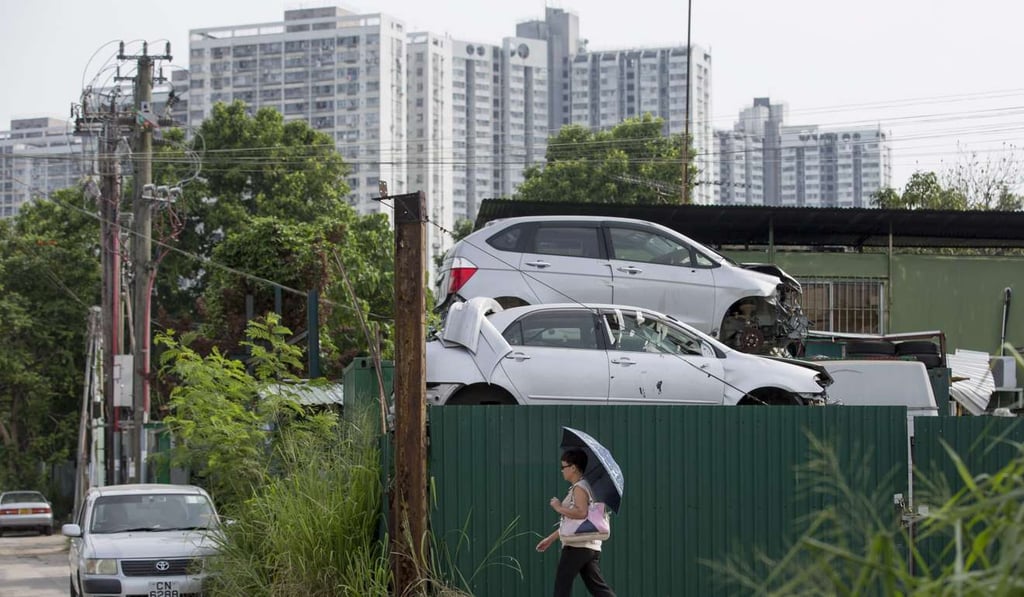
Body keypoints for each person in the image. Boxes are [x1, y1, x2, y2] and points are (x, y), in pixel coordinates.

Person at [535, 448, 616, 597]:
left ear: (573, 467)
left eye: (563, 467)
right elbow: (575, 525)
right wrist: (551, 539)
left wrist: (559, 507)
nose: (561, 470)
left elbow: (581, 513)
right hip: (590, 547)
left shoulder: (580, 487)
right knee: (599, 589)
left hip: (576, 547)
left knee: (562, 588)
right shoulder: (588, 486)